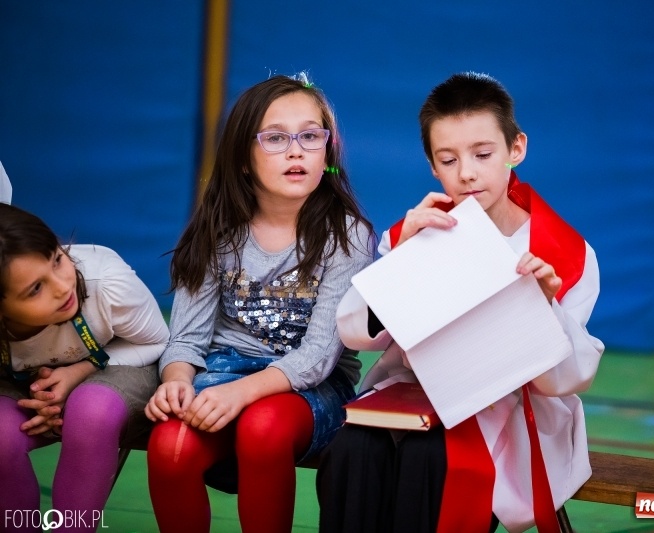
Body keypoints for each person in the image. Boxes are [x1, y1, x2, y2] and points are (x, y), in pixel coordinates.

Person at [316, 72, 604, 533]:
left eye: (483, 154)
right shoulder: (418, 231)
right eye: (448, 159)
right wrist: (402, 263)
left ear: (517, 148)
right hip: (415, 395)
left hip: (511, 409)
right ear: (432, 165)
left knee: (433, 457)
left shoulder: (564, 253)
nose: (466, 173)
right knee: (354, 448)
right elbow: (354, 330)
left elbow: (567, 379)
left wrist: (544, 308)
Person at [144, 72, 374, 533]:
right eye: (275, 138)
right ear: (243, 159)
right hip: (222, 371)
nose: (296, 150)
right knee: (170, 445)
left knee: (263, 428)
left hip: (309, 388)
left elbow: (316, 358)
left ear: (327, 152)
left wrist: (242, 393)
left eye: (310, 136)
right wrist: (175, 381)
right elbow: (187, 339)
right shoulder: (216, 232)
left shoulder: (347, 236)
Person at [0, 203, 168, 533]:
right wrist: (42, 400)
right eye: (35, 289)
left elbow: (157, 341)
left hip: (115, 367)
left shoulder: (104, 280)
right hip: (21, 386)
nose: (63, 286)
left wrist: (80, 372)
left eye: (57, 259)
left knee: (91, 413)